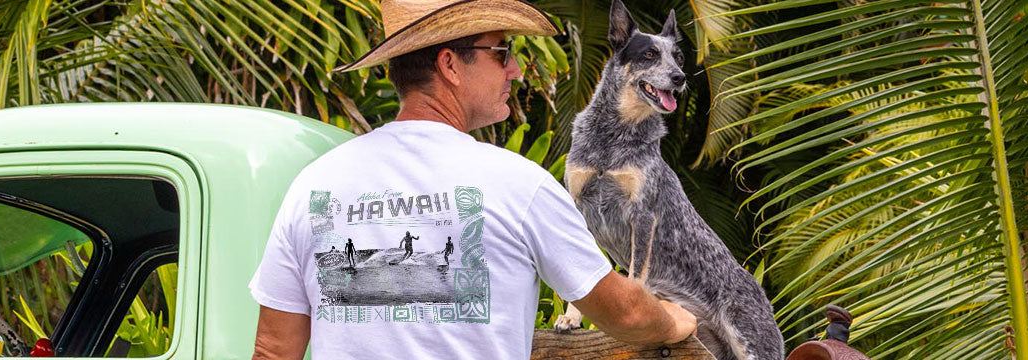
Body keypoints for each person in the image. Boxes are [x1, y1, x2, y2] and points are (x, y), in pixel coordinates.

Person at [249, 1, 696, 359]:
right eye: (501, 52)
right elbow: (625, 313)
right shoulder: (518, 185)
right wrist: (675, 321)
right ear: (450, 64)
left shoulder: (314, 186)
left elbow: (273, 349)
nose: (515, 69)